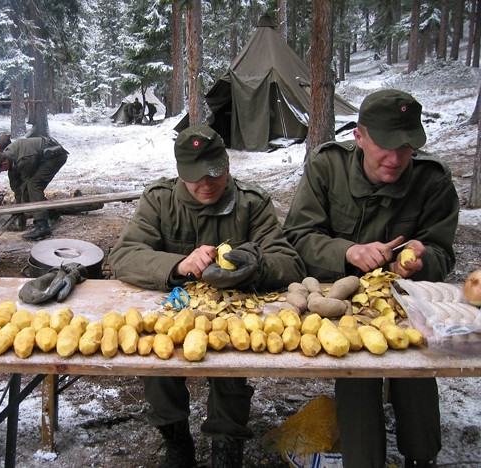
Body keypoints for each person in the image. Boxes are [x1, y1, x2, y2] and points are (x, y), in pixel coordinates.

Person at [108, 124, 305, 467]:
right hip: (174, 308)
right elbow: (124, 256)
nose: (207, 184)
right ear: (180, 172)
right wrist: (178, 264)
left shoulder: (250, 204)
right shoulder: (160, 200)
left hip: (234, 311)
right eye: (195, 176)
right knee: (157, 365)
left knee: (231, 368)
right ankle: (176, 440)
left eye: (214, 173)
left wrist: (255, 268)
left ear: (227, 164)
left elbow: (290, 263)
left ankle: (226, 444)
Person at [283, 89, 459, 468]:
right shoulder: (327, 167)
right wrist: (347, 252)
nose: (395, 159)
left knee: (415, 366)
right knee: (357, 372)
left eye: (407, 147)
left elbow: (443, 252)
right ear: (359, 137)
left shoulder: (432, 180)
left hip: (405, 299)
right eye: (385, 146)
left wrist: (420, 263)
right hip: (339, 299)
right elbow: (297, 235)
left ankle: (421, 456)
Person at [0, 136, 69, 241]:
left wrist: (23, 210)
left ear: (5, 163)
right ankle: (53, 214)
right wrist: (18, 211)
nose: (0, 172)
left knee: (33, 186)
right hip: (41, 156)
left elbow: (25, 188)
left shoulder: (23, 161)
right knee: (29, 189)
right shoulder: (9, 157)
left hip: (55, 156)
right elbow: (16, 188)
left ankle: (42, 226)